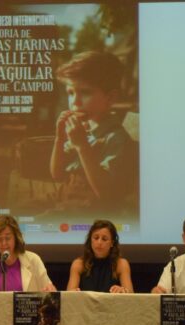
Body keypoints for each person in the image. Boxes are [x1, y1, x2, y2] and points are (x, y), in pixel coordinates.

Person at [49, 51, 138, 217]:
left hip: (90, 215)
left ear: (110, 98)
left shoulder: (116, 138)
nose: (75, 101)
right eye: (70, 92)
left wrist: (82, 146)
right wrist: (59, 138)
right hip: (64, 204)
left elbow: (107, 195)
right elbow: (57, 175)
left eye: (85, 92)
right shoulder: (82, 131)